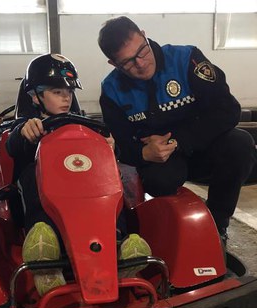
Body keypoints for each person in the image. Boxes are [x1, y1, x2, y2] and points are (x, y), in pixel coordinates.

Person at [97, 16, 257, 244]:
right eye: (128, 63)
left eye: (142, 51)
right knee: (159, 181)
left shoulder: (186, 59)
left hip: (204, 150)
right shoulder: (112, 89)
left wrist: (179, 140)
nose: (141, 64)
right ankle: (165, 233)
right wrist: (142, 153)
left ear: (144, 34)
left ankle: (217, 226)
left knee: (240, 144)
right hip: (161, 164)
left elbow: (228, 110)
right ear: (114, 64)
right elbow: (116, 143)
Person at [6, 53, 151, 297]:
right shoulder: (29, 126)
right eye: (56, 91)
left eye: (69, 92)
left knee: (113, 177)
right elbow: (12, 145)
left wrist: (108, 145)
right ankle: (45, 247)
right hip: (48, 200)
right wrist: (23, 132)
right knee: (32, 173)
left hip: (84, 190)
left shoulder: (85, 126)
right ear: (35, 96)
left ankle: (116, 241)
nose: (65, 98)